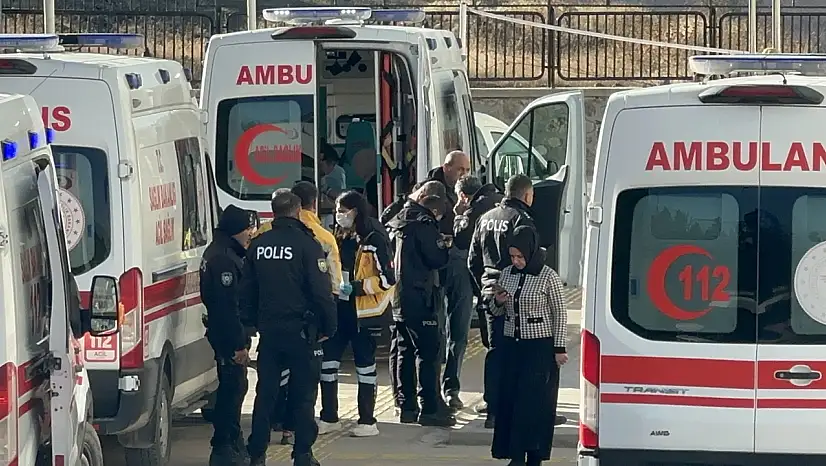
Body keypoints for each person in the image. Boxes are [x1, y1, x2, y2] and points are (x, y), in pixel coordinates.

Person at [241, 189, 338, 466]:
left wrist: (250, 325)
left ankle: (257, 452)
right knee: (304, 394)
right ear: (297, 210)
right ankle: (303, 454)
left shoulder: (259, 244)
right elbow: (321, 291)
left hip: (270, 331)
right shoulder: (308, 244)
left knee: (266, 393)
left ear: (273, 212)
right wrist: (329, 326)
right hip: (302, 331)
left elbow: (246, 290)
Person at [263, 181, 344, 445]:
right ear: (311, 204)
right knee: (305, 388)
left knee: (268, 387)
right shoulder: (320, 238)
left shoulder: (261, 237)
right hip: (305, 326)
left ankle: (258, 450)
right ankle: (298, 443)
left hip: (269, 325)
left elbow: (248, 283)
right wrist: (329, 326)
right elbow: (331, 287)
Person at [318, 190, 396, 437]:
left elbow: (388, 278)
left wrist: (358, 287)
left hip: (365, 313)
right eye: (338, 211)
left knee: (365, 365)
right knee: (328, 362)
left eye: (343, 210)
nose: (339, 215)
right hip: (339, 309)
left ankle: (367, 420)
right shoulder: (339, 237)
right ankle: (329, 416)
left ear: (356, 211)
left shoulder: (375, 238)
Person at [489, 226, 568, 466]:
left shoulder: (548, 277)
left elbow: (560, 314)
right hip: (512, 347)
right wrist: (497, 302)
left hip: (539, 348)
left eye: (520, 256)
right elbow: (495, 311)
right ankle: (515, 454)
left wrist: (559, 348)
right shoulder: (506, 274)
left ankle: (534, 454)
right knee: (511, 400)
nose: (517, 261)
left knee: (535, 403)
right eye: (513, 256)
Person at [468, 174, 535, 429]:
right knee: (517, 353)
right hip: (514, 296)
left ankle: (493, 409)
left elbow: (472, 261)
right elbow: (529, 263)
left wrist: (484, 289)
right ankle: (514, 408)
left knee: (494, 352)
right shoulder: (522, 220)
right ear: (527, 195)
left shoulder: (485, 218)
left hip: (488, 293)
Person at [385, 194, 454, 426]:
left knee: (404, 349)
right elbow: (437, 259)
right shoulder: (424, 226)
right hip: (421, 296)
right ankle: (430, 407)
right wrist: (444, 245)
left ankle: (407, 406)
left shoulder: (397, 222)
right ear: (434, 211)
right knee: (427, 353)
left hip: (398, 297)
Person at [200, 205, 257, 466]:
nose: (250, 233)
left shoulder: (223, 252)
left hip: (224, 332)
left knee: (235, 387)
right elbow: (228, 307)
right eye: (247, 228)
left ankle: (231, 440)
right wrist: (237, 345)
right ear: (236, 230)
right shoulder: (224, 258)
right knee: (231, 390)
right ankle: (224, 446)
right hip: (227, 335)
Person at [423, 151, 474, 409]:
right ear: (446, 167)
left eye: (467, 170)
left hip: (460, 265)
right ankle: (431, 392)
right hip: (434, 267)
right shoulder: (428, 190)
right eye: (459, 170)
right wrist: (451, 214)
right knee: (436, 330)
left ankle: (451, 387)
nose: (463, 175)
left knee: (460, 330)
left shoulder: (466, 192)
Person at [448, 174, 503, 404]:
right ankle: (498, 395)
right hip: (501, 281)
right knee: (497, 341)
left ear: (462, 195)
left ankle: (451, 389)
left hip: (475, 278)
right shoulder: (501, 200)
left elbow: (461, 240)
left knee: (458, 334)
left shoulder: (472, 211)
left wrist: (458, 215)